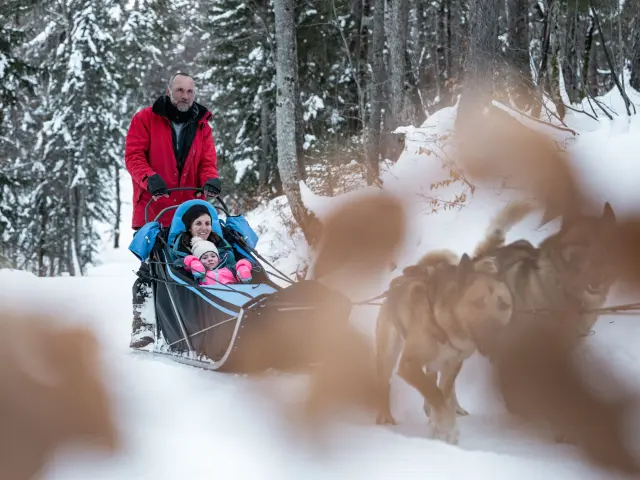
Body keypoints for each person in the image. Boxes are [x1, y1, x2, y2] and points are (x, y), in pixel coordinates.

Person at [126, 72, 222, 349]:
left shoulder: (202, 126)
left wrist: (210, 180)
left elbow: (207, 163)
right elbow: (133, 157)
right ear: (169, 91)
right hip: (153, 209)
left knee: (192, 265)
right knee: (152, 268)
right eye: (179, 90)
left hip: (189, 214)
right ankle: (143, 326)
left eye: (189, 91)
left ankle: (195, 323)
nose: (185, 96)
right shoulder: (145, 119)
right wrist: (149, 178)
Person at [183, 236, 253, 286]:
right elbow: (183, 262)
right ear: (199, 261)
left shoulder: (229, 269)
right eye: (205, 258)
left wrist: (243, 267)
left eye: (213, 256)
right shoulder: (199, 276)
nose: (210, 259)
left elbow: (246, 262)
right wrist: (193, 262)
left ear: (218, 258)